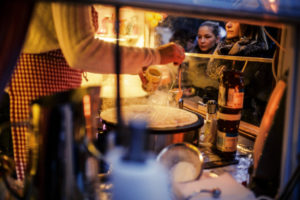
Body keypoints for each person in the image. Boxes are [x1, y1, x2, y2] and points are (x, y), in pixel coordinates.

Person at [7, 2, 185, 180]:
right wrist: (155, 56)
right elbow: (81, 51)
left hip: (55, 87)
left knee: (55, 177)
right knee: (39, 181)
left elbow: (78, 52)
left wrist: (139, 63)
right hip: (36, 85)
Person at [206, 21, 274, 125]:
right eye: (227, 20)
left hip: (246, 120)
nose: (228, 25)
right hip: (222, 113)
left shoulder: (258, 55)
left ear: (248, 24)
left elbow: (254, 94)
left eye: (234, 20)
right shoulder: (223, 49)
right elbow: (209, 77)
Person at [183, 21, 222, 101]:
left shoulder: (222, 58)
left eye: (207, 37)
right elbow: (184, 81)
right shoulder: (191, 56)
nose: (202, 41)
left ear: (217, 39)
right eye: (199, 37)